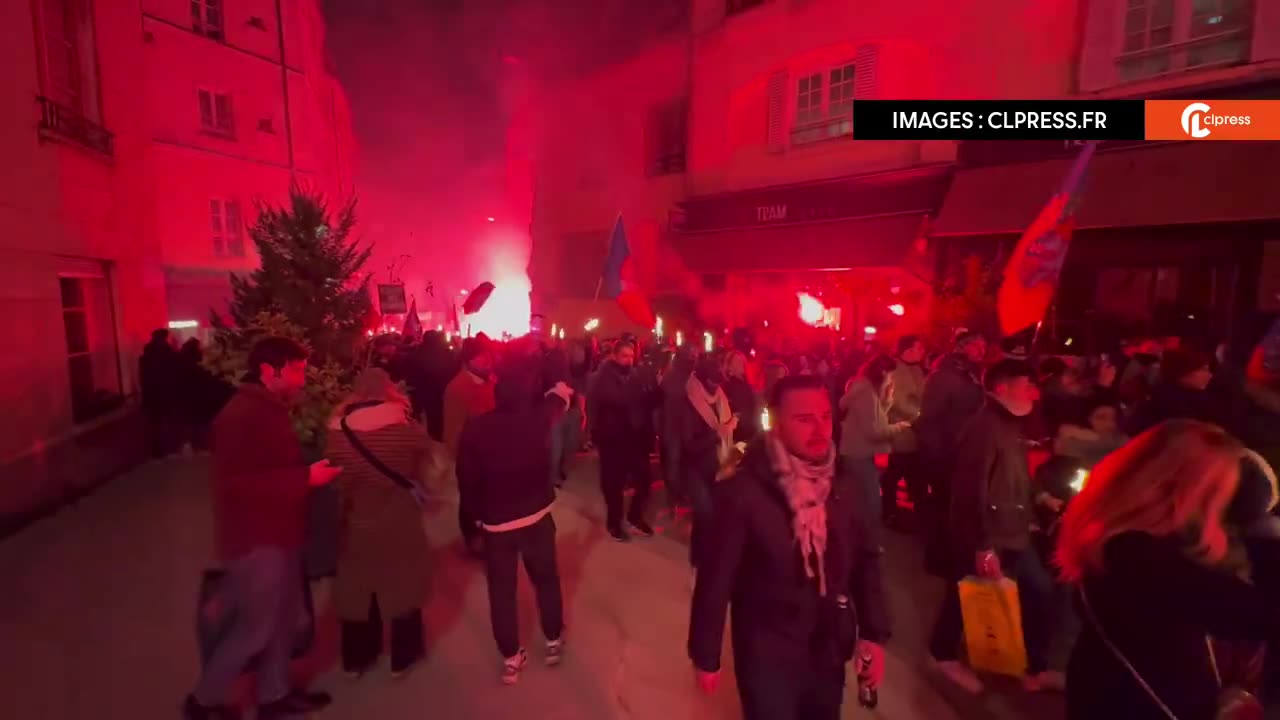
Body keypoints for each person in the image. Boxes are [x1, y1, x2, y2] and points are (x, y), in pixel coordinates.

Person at [689, 375, 891, 720]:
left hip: (827, 644)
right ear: (777, 422)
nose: (820, 429)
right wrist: (706, 655)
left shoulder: (843, 483)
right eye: (804, 419)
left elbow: (865, 561)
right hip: (767, 648)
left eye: (826, 417)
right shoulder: (744, 490)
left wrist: (873, 633)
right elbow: (716, 577)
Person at [1058, 420, 1280, 720]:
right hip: (1135, 704)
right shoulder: (1138, 555)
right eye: (1217, 493)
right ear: (1184, 487)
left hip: (1106, 686)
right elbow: (1261, 615)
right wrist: (1261, 529)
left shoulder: (1115, 531)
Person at [184, 337, 339, 720]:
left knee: (283, 620)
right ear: (270, 371)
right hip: (257, 541)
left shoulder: (267, 409)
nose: (303, 379)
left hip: (280, 534)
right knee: (255, 627)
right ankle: (202, 702)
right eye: (297, 370)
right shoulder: (242, 415)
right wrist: (306, 478)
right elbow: (238, 487)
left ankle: (274, 694)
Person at [932, 358, 1064, 694]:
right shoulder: (984, 428)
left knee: (1039, 593)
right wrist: (982, 545)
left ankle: (1033, 667)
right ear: (1002, 388)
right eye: (1025, 386)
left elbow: (1016, 474)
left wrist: (1042, 497)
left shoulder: (1009, 423)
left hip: (1013, 530)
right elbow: (970, 491)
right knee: (964, 596)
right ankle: (943, 655)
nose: (1033, 393)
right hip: (990, 534)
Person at [457, 370, 573, 684]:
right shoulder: (536, 420)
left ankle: (511, 657)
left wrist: (475, 518)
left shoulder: (476, 430)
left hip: (497, 524)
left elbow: (466, 480)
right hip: (536, 516)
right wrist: (560, 389)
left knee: (501, 591)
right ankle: (552, 640)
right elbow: (556, 403)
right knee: (546, 579)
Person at [325, 368, 432, 679]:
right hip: (399, 519)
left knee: (358, 591)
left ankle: (357, 658)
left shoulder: (338, 433)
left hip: (357, 519)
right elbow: (427, 468)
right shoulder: (406, 428)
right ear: (389, 390)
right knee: (402, 587)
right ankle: (403, 656)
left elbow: (336, 483)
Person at [589, 340, 660, 542]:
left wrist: (654, 392)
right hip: (612, 438)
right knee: (614, 485)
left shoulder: (634, 374)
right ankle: (614, 523)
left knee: (644, 480)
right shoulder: (603, 377)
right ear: (614, 355)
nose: (629, 360)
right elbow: (618, 399)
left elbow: (642, 403)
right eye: (624, 356)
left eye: (631, 356)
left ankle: (634, 517)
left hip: (634, 437)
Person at [839, 353, 910, 551]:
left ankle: (859, 541)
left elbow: (877, 419)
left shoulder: (869, 391)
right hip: (859, 454)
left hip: (860, 453)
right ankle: (866, 544)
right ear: (883, 372)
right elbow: (875, 431)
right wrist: (900, 427)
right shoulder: (865, 393)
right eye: (891, 375)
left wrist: (887, 399)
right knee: (870, 502)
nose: (892, 379)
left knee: (862, 500)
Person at [678, 358, 736, 569]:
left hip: (716, 463)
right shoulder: (689, 400)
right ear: (702, 379)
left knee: (715, 515)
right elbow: (688, 444)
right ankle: (697, 560)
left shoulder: (720, 396)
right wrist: (718, 434)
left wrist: (731, 424)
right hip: (694, 466)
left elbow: (725, 423)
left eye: (718, 382)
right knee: (704, 513)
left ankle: (709, 555)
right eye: (712, 382)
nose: (716, 386)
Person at [443, 338, 497, 554]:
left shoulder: (489, 381)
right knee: (470, 500)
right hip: (470, 458)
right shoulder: (458, 387)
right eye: (482, 357)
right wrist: (461, 459)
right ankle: (472, 538)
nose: (487, 361)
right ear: (468, 360)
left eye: (488, 356)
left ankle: (486, 534)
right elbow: (453, 430)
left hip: (491, 455)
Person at [882, 335, 927, 529]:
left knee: (910, 472)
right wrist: (921, 415)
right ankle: (889, 510)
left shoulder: (917, 369)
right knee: (898, 471)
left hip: (916, 433)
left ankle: (916, 510)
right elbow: (900, 403)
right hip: (902, 431)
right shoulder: (895, 372)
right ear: (907, 351)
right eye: (919, 348)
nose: (922, 351)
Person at [140, 328, 180, 458]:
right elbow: (173, 369)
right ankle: (171, 448)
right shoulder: (166, 351)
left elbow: (143, 376)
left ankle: (157, 451)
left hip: (151, 394)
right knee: (169, 420)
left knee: (155, 424)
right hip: (165, 392)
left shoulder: (147, 354)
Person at [722, 350, 758, 444]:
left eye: (742, 361)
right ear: (729, 367)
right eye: (737, 362)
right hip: (739, 433)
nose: (741, 364)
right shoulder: (729, 386)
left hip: (749, 432)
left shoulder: (745, 384)